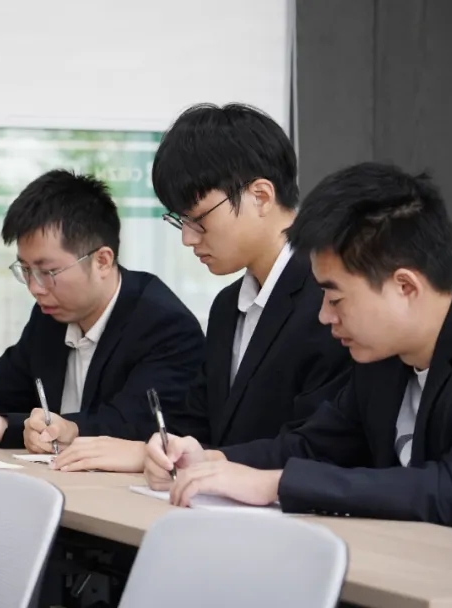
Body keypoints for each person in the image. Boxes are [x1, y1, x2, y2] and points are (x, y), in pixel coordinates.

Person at [144, 162, 452, 540]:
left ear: (405, 287)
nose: (325, 316)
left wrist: (275, 484)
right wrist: (210, 461)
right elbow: (313, 445)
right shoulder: (382, 356)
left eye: (335, 298)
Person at [53, 103, 351, 473]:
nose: (188, 239)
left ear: (260, 197)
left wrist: (199, 459)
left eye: (199, 219)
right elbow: (195, 424)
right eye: (181, 221)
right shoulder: (228, 306)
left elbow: (320, 446)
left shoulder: (331, 298)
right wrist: (149, 449)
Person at [0, 169, 205, 452]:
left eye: (48, 272)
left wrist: (0, 426)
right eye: (25, 270)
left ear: (102, 261)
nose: (35, 288)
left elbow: (130, 426)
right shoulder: (51, 315)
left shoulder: (165, 326)